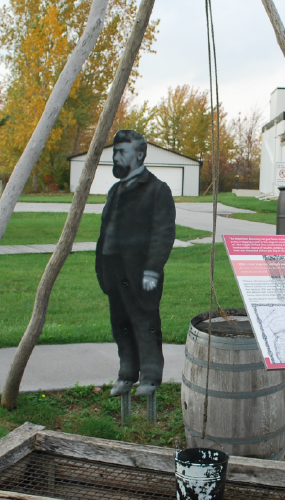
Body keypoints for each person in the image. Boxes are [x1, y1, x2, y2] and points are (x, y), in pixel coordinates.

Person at [96, 130, 176, 397]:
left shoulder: (157, 189)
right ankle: (126, 374)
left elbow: (163, 233)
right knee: (121, 323)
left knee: (145, 322)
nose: (115, 156)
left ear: (139, 155)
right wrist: (101, 268)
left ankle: (151, 377)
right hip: (113, 268)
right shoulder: (114, 190)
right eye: (114, 151)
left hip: (141, 271)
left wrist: (153, 269)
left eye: (121, 152)